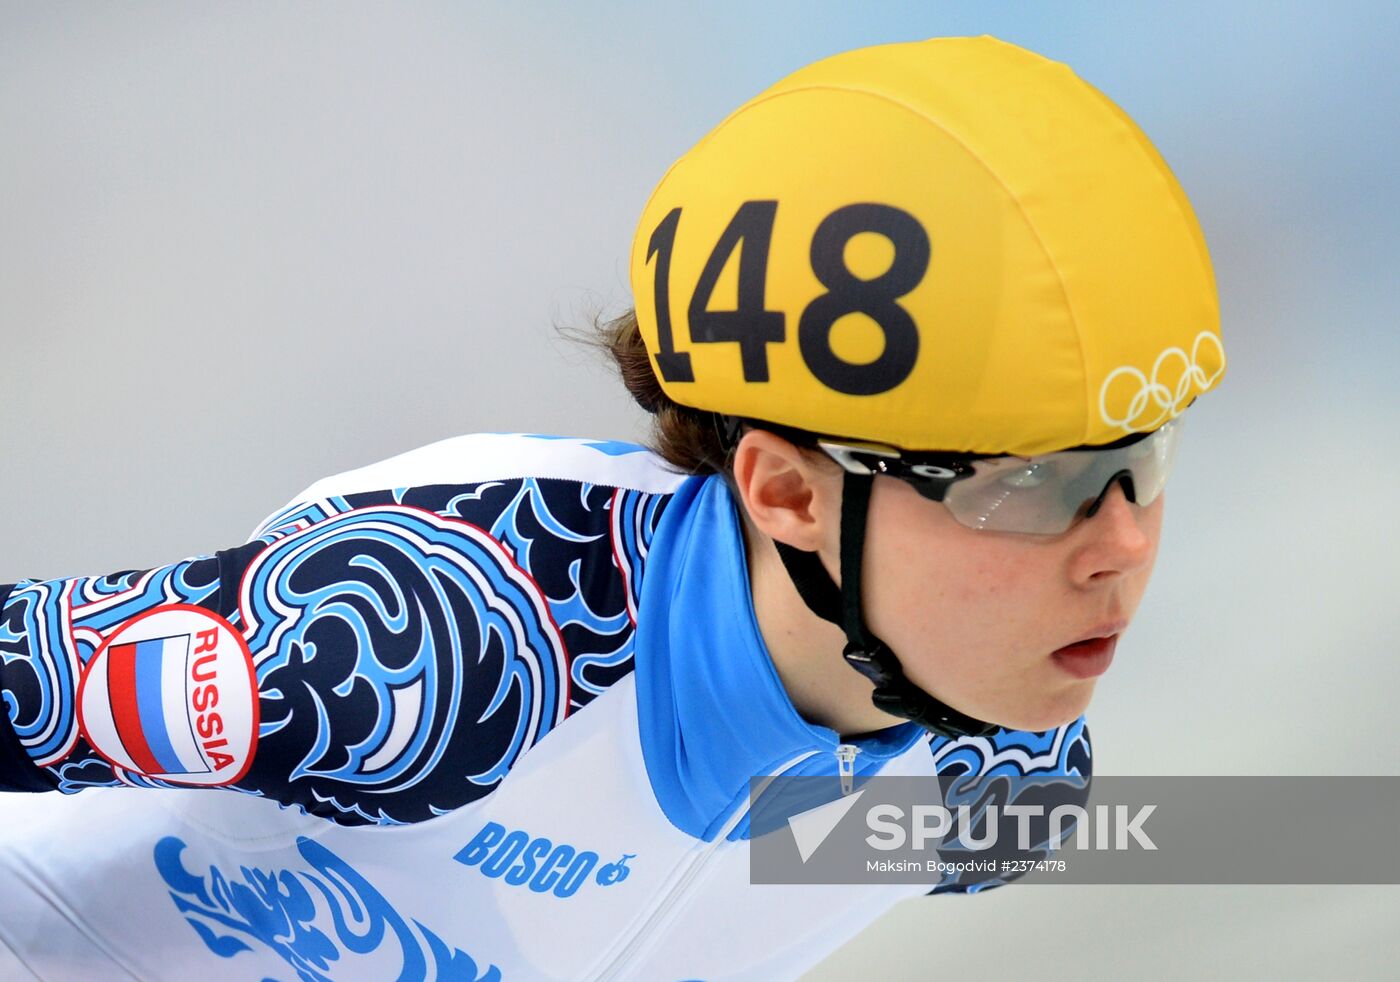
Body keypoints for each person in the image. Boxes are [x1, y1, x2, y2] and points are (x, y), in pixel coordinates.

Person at [0, 34, 1224, 981]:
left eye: (1141, 464)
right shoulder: (439, 645)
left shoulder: (999, 787)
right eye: (1026, 482)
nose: (1122, 545)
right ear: (788, 491)